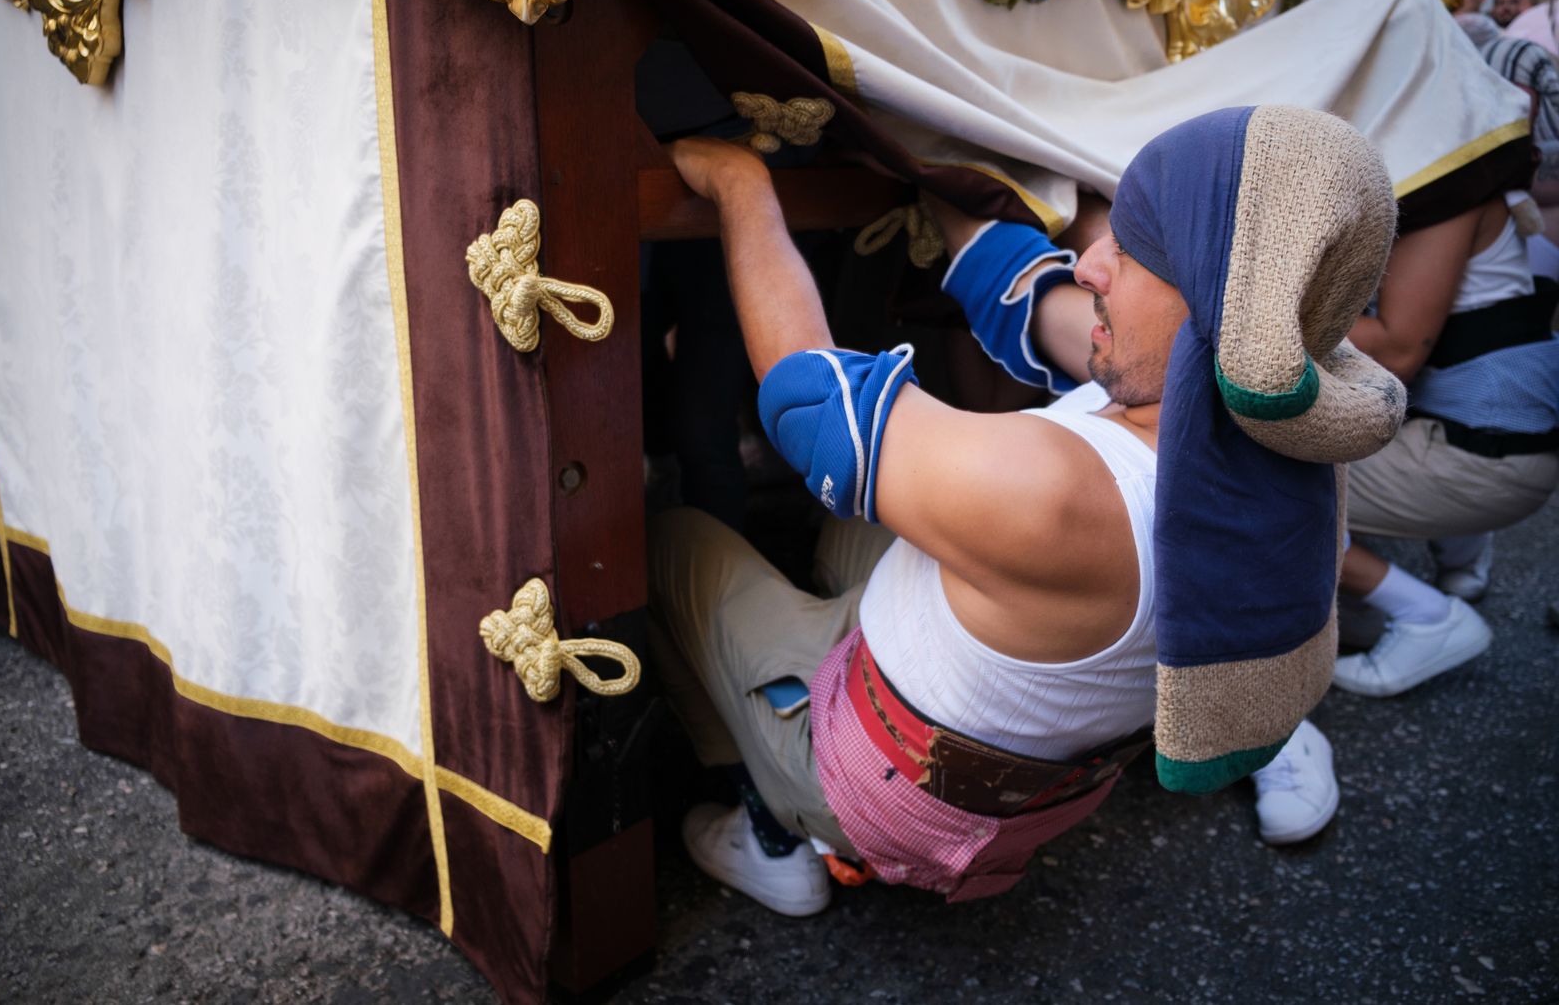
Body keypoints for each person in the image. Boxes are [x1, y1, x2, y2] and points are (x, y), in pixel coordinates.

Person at [647, 107, 1400, 915]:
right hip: (1028, 777)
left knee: (668, 538)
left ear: (1218, 298)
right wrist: (932, 164)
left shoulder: (1058, 492)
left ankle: (772, 829)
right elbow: (1024, 291)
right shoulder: (1278, 413)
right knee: (850, 526)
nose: (1090, 266)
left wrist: (741, 184)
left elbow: (808, 397)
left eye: (1133, 249)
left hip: (881, 788)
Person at [1329, 193, 1559, 697]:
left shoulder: (1450, 196)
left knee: (1251, 480)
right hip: (1500, 441)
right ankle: (1455, 566)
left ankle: (1426, 616)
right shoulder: (1512, 200)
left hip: (1480, 458)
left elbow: (1397, 348)